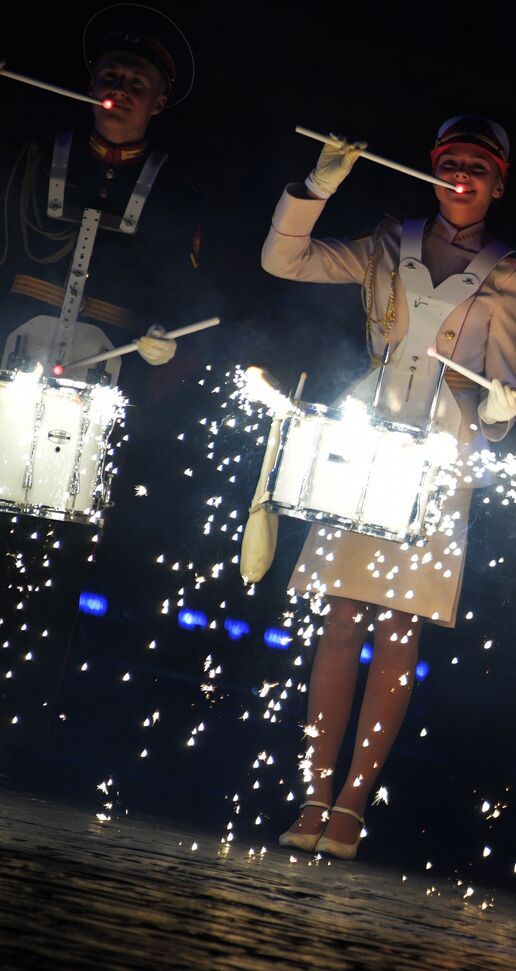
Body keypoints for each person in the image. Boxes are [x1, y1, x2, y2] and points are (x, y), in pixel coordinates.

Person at [249, 114, 516, 859]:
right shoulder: (387, 241)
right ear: (432, 170)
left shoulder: (508, 271)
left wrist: (500, 414)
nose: (461, 176)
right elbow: (285, 260)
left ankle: (352, 804)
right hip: (368, 437)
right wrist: (317, 186)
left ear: (499, 184)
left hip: (442, 454)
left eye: (479, 166)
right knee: (341, 618)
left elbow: (505, 388)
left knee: (398, 630)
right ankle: (313, 795)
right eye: (450, 162)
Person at [0, 3, 198, 771]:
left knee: (59, 557)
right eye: (109, 78)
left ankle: (19, 728)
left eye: (135, 84)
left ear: (157, 101)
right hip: (14, 356)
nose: (117, 92)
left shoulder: (176, 190)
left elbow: (185, 301)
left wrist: (160, 347)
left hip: (100, 380)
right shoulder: (30, 155)